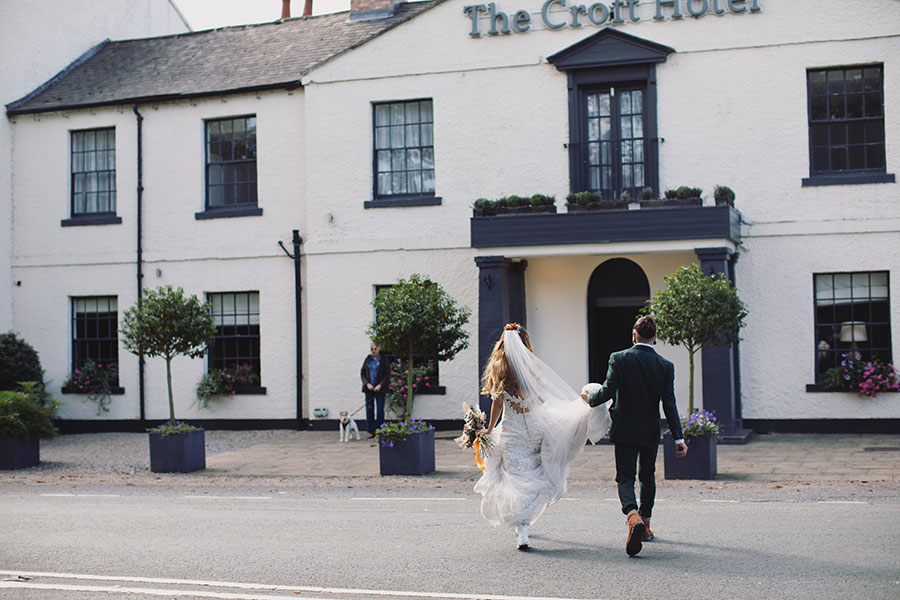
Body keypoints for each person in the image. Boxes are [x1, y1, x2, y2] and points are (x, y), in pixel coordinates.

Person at [475, 323, 610, 551]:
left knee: (515, 478)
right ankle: (524, 523)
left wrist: (489, 429)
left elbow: (498, 402)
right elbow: (542, 398)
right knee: (536, 474)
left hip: (512, 432)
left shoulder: (499, 366)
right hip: (536, 428)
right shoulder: (534, 366)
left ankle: (522, 528)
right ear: (525, 341)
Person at [583, 315, 688, 557]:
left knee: (625, 478)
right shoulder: (665, 366)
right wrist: (679, 439)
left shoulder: (618, 358)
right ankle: (647, 525)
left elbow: (608, 390)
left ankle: (632, 517)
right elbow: (669, 404)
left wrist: (590, 400)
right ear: (655, 338)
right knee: (647, 477)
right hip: (650, 430)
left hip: (625, 429)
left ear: (634, 335)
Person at [360, 342, 390, 439]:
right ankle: (371, 431)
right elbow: (363, 373)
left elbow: (387, 374)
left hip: (379, 389)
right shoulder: (367, 359)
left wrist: (380, 385)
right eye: (372, 349)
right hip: (369, 389)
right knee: (369, 410)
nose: (374, 351)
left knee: (380, 410)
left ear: (379, 349)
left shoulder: (384, 360)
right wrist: (367, 384)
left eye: (375, 349)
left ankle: (380, 430)